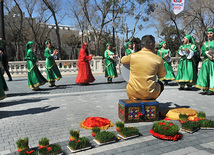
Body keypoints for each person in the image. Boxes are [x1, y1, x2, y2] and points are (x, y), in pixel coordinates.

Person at [121, 35, 166, 100]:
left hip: (133, 93)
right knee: (161, 85)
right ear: (151, 45)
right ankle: (150, 101)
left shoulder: (132, 56)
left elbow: (122, 60)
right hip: (149, 93)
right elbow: (162, 75)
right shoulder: (158, 59)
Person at [196, 28, 214, 94]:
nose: (209, 35)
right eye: (208, 33)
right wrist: (207, 52)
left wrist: (212, 53)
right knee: (205, 75)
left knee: (212, 75)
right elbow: (202, 53)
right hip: (206, 61)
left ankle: (212, 89)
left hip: (212, 62)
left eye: (211, 33)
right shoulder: (205, 43)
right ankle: (205, 88)